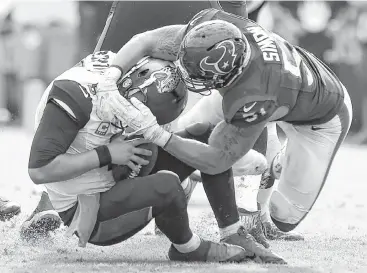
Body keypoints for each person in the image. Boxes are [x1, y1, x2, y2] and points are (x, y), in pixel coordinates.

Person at [21, 0, 270, 241]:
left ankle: (235, 219)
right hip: (86, 183)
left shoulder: (120, 66)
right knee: (116, 121)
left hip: (141, 33)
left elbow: (144, 44)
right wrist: (107, 153)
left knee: (165, 128)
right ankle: (238, 216)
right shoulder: (80, 91)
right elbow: (40, 168)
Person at [102, 7, 353, 235]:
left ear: (229, 74)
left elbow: (215, 161)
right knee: (186, 135)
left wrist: (158, 135)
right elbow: (147, 41)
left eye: (201, 75)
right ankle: (189, 180)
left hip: (321, 119)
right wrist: (111, 75)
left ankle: (279, 163)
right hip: (270, 88)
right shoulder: (215, 27)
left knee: (283, 217)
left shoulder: (254, 95)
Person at [24, 50, 286, 263]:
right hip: (87, 209)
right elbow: (39, 171)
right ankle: (187, 248)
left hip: (117, 172)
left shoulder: (129, 68)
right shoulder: (74, 96)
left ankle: (232, 232)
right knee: (167, 185)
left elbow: (151, 41)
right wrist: (106, 153)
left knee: (204, 137)